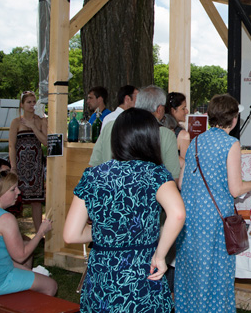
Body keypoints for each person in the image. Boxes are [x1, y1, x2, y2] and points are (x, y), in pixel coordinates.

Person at [63, 108, 185, 313]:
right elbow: (178, 213)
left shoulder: (93, 175)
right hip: (143, 273)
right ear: (151, 138)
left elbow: (71, 234)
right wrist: (160, 255)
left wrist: (110, 232)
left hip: (102, 275)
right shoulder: (156, 174)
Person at [175, 94, 251, 313]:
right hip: (214, 221)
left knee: (191, 273)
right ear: (234, 119)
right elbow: (236, 189)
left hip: (189, 218)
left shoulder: (195, 141)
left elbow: (183, 183)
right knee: (215, 275)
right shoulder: (231, 144)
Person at [90, 85, 180, 181]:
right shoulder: (166, 134)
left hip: (109, 190)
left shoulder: (110, 126)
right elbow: (172, 178)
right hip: (148, 193)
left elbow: (94, 166)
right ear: (160, 109)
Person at [9, 91, 48, 232]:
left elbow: (46, 142)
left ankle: (39, 234)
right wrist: (13, 167)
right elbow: (11, 146)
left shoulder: (41, 121)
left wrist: (33, 126)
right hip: (20, 165)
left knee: (36, 201)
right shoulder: (16, 122)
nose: (32, 105)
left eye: (33, 102)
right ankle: (12, 231)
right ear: (22, 105)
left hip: (36, 166)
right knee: (15, 199)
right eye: (29, 102)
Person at [163, 92, 191, 159]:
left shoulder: (159, 129)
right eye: (183, 108)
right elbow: (186, 164)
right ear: (173, 110)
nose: (187, 111)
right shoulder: (183, 135)